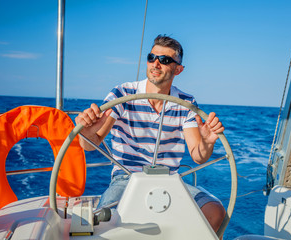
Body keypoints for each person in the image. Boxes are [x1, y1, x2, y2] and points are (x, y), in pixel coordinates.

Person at [75, 35, 226, 233]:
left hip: (170, 180)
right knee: (102, 227)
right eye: (151, 57)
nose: (156, 63)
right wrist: (86, 131)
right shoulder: (123, 94)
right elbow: (90, 143)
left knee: (215, 212)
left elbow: (199, 156)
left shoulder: (186, 103)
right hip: (126, 179)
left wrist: (207, 142)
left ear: (178, 69)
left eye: (164, 60)